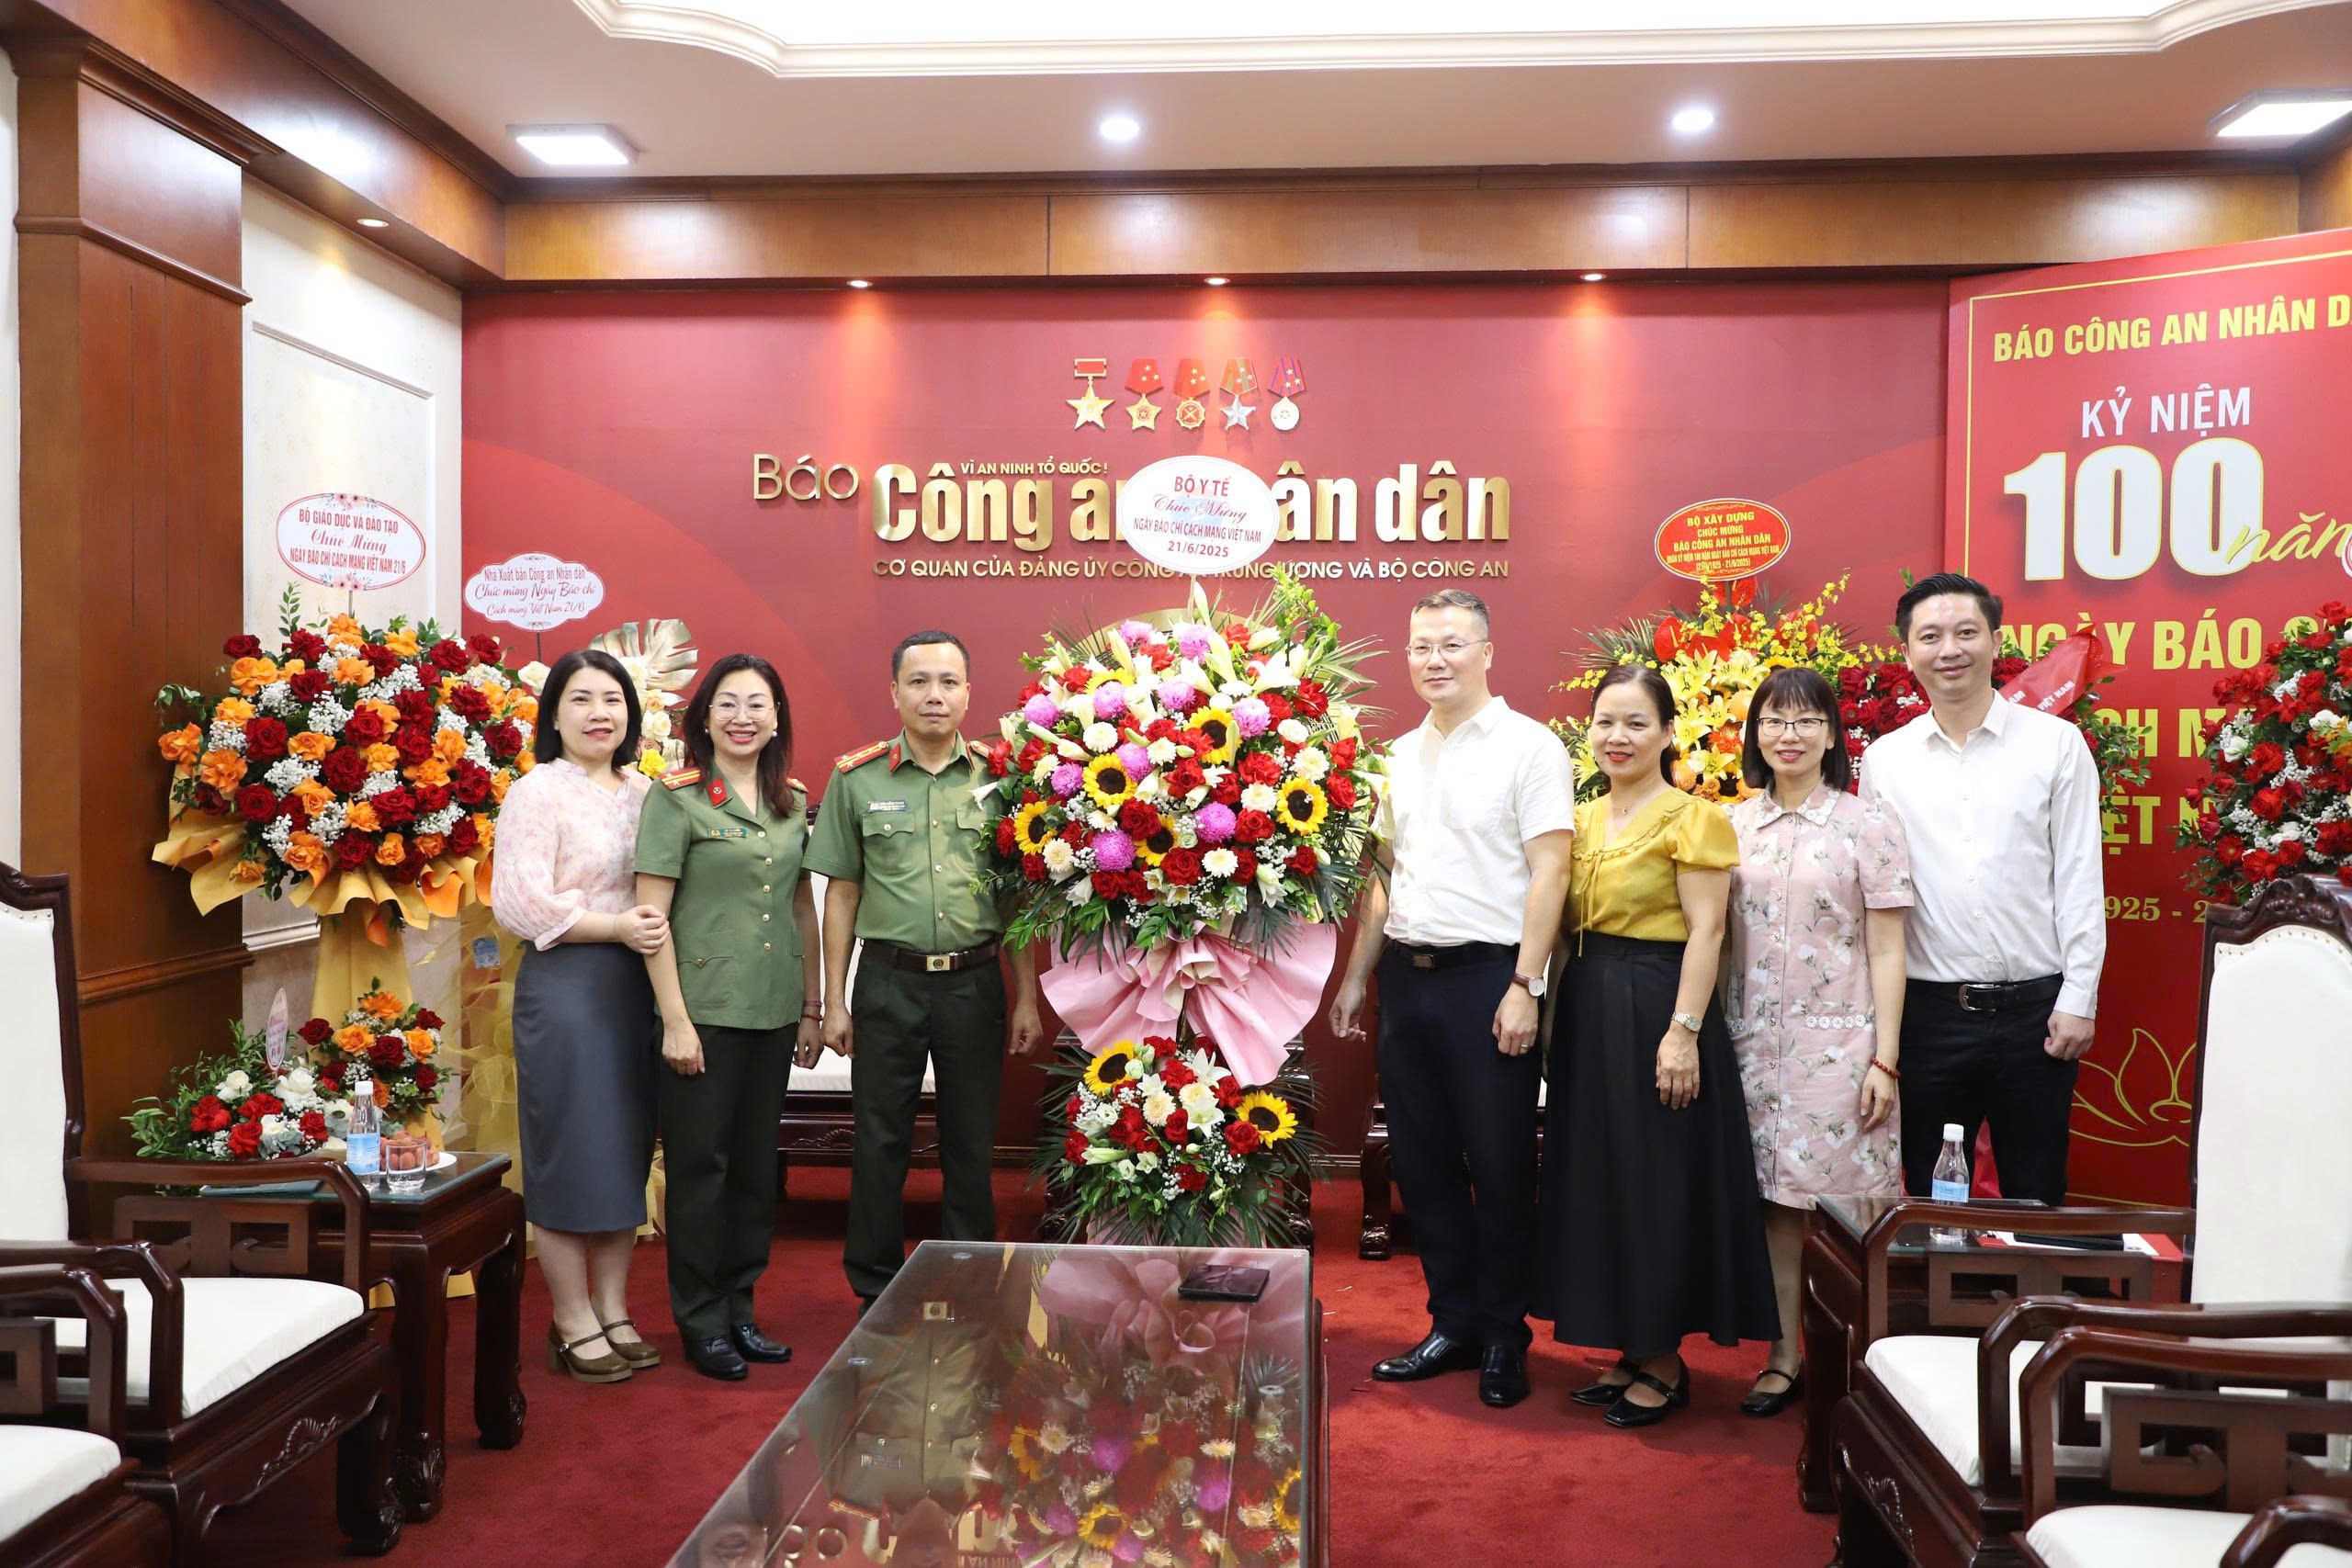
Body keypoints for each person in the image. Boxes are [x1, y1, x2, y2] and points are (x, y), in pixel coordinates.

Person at [1330, 589, 1574, 1410]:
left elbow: (1551, 871)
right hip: (1408, 978)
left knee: (1499, 1163)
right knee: (1423, 1161)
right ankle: (1453, 1321)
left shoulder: (1530, 748)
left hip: (1490, 980)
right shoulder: (1396, 755)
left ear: (1487, 652)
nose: (1434, 659)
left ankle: (1505, 1334)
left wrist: (1526, 985)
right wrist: (1357, 976)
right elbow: (1383, 876)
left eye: (1452, 644)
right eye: (1420, 646)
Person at [1532, 663, 1778, 1427]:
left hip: (1657, 1004)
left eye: (1637, 722)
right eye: (1605, 721)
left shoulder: (1693, 817)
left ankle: (1665, 1360)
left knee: (1654, 1183)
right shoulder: (1578, 818)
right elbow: (1563, 933)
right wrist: (1550, 1024)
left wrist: (1683, 1032)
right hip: (1588, 1002)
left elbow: (1708, 931)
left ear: (1669, 732)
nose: (1619, 736)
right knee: (1600, 1178)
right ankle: (1630, 1345)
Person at [805, 630, 1046, 1306]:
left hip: (974, 981)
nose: (933, 695)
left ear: (968, 693)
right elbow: (841, 893)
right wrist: (833, 1002)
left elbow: (1017, 898)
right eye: (918, 682)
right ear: (895, 693)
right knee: (880, 1140)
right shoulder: (858, 777)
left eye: (947, 682)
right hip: (888, 981)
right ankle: (874, 1286)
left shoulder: (1003, 778)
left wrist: (1026, 997)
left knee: (971, 1141)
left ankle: (969, 1278)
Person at [1860, 572, 2105, 1205]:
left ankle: (2037, 1279)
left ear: (1996, 641)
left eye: (1966, 632)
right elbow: (1880, 898)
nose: (1950, 649)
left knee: (2037, 1193)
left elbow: (2079, 875)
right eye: (1930, 637)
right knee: (1932, 1195)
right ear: (1908, 652)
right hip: (1930, 1015)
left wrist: (2079, 995)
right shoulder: (1886, 760)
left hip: (2037, 1015)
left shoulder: (2055, 744)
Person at [1724, 667, 1912, 1417]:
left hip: (1840, 1049)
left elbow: (1889, 948)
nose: (1789, 735)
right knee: (1775, 1205)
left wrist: (1885, 1058)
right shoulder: (1733, 825)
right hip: (1751, 1047)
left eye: (1806, 720)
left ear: (1832, 733)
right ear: (1756, 734)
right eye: (1774, 720)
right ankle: (1784, 1356)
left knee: (1847, 1210)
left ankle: (1865, 1358)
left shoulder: (1869, 825)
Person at [635, 653, 821, 1381]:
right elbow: (650, 919)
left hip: (771, 1010)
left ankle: (741, 1308)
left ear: (777, 719)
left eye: (757, 704)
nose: (743, 718)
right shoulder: (677, 797)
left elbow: (802, 907)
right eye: (728, 704)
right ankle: (701, 1319)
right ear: (704, 718)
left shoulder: (791, 800)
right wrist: (675, 1020)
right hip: (702, 1013)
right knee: (699, 1170)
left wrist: (809, 1007)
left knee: (752, 1170)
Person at [491, 649, 668, 1383]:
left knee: (626, 1147)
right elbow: (520, 903)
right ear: (554, 714)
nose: (601, 713)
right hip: (568, 983)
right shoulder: (536, 791)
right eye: (582, 699)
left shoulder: (648, 791)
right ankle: (570, 1314)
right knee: (569, 1145)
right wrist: (616, 926)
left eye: (613, 699)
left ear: (632, 713)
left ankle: (613, 1306)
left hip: (641, 983)